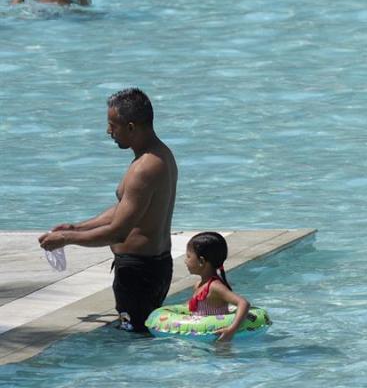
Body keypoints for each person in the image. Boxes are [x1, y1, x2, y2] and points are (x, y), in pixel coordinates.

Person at [39, 88, 179, 336]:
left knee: (133, 344)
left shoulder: (144, 168)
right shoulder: (159, 155)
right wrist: (77, 227)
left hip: (139, 274)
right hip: (150, 268)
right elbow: (126, 208)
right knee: (138, 338)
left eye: (112, 125)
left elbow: (119, 232)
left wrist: (66, 239)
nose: (108, 132)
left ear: (132, 127)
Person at [179, 232, 255, 343]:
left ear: (201, 261)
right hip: (201, 337)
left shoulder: (215, 287)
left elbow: (243, 303)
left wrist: (231, 330)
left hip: (217, 339)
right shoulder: (198, 285)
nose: (185, 261)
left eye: (188, 256)